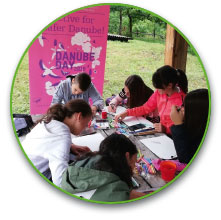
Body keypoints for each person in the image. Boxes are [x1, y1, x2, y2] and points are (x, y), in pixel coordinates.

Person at [22, 99, 93, 187]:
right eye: (86, 124)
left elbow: (50, 143)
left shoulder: (51, 120)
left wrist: (70, 146)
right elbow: (60, 181)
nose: (85, 128)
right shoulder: (62, 137)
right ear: (79, 117)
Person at [61, 133, 146, 202]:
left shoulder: (80, 165)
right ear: (127, 156)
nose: (134, 167)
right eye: (134, 162)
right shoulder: (117, 197)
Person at [115, 65, 188, 135]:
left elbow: (184, 127)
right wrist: (127, 113)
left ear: (169, 85)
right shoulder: (159, 93)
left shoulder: (183, 101)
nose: (157, 90)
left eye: (159, 88)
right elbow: (145, 108)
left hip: (174, 137)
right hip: (161, 132)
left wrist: (166, 129)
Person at [170, 89, 209, 163]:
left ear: (197, 114)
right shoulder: (197, 126)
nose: (182, 109)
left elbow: (186, 158)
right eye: (182, 105)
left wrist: (178, 124)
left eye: (185, 107)